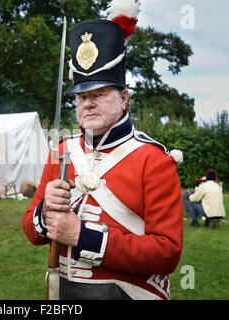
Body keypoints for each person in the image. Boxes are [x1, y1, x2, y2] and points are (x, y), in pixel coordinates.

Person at [22, 0, 184, 300]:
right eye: (82, 96)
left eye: (99, 93)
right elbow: (31, 231)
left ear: (124, 98)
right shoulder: (62, 151)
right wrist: (45, 214)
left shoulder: (154, 160)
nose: (88, 103)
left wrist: (81, 236)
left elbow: (166, 254)